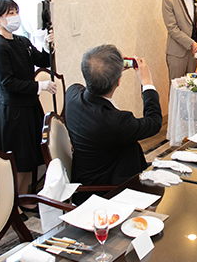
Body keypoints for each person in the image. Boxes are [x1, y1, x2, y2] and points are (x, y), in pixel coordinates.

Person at [65, 45, 161, 204]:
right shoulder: (116, 121)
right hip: (107, 188)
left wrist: (108, 66)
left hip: (84, 175)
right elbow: (154, 123)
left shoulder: (71, 95)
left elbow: (82, 84)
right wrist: (147, 83)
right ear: (118, 81)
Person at [0, 0, 56, 202]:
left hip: (30, 108)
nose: (15, 16)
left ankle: (24, 198)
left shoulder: (21, 41)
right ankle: (13, 204)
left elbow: (42, 60)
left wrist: (47, 46)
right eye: (10, 13)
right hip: (13, 113)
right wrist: (39, 86)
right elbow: (7, 82)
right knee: (18, 161)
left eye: (15, 12)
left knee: (31, 158)